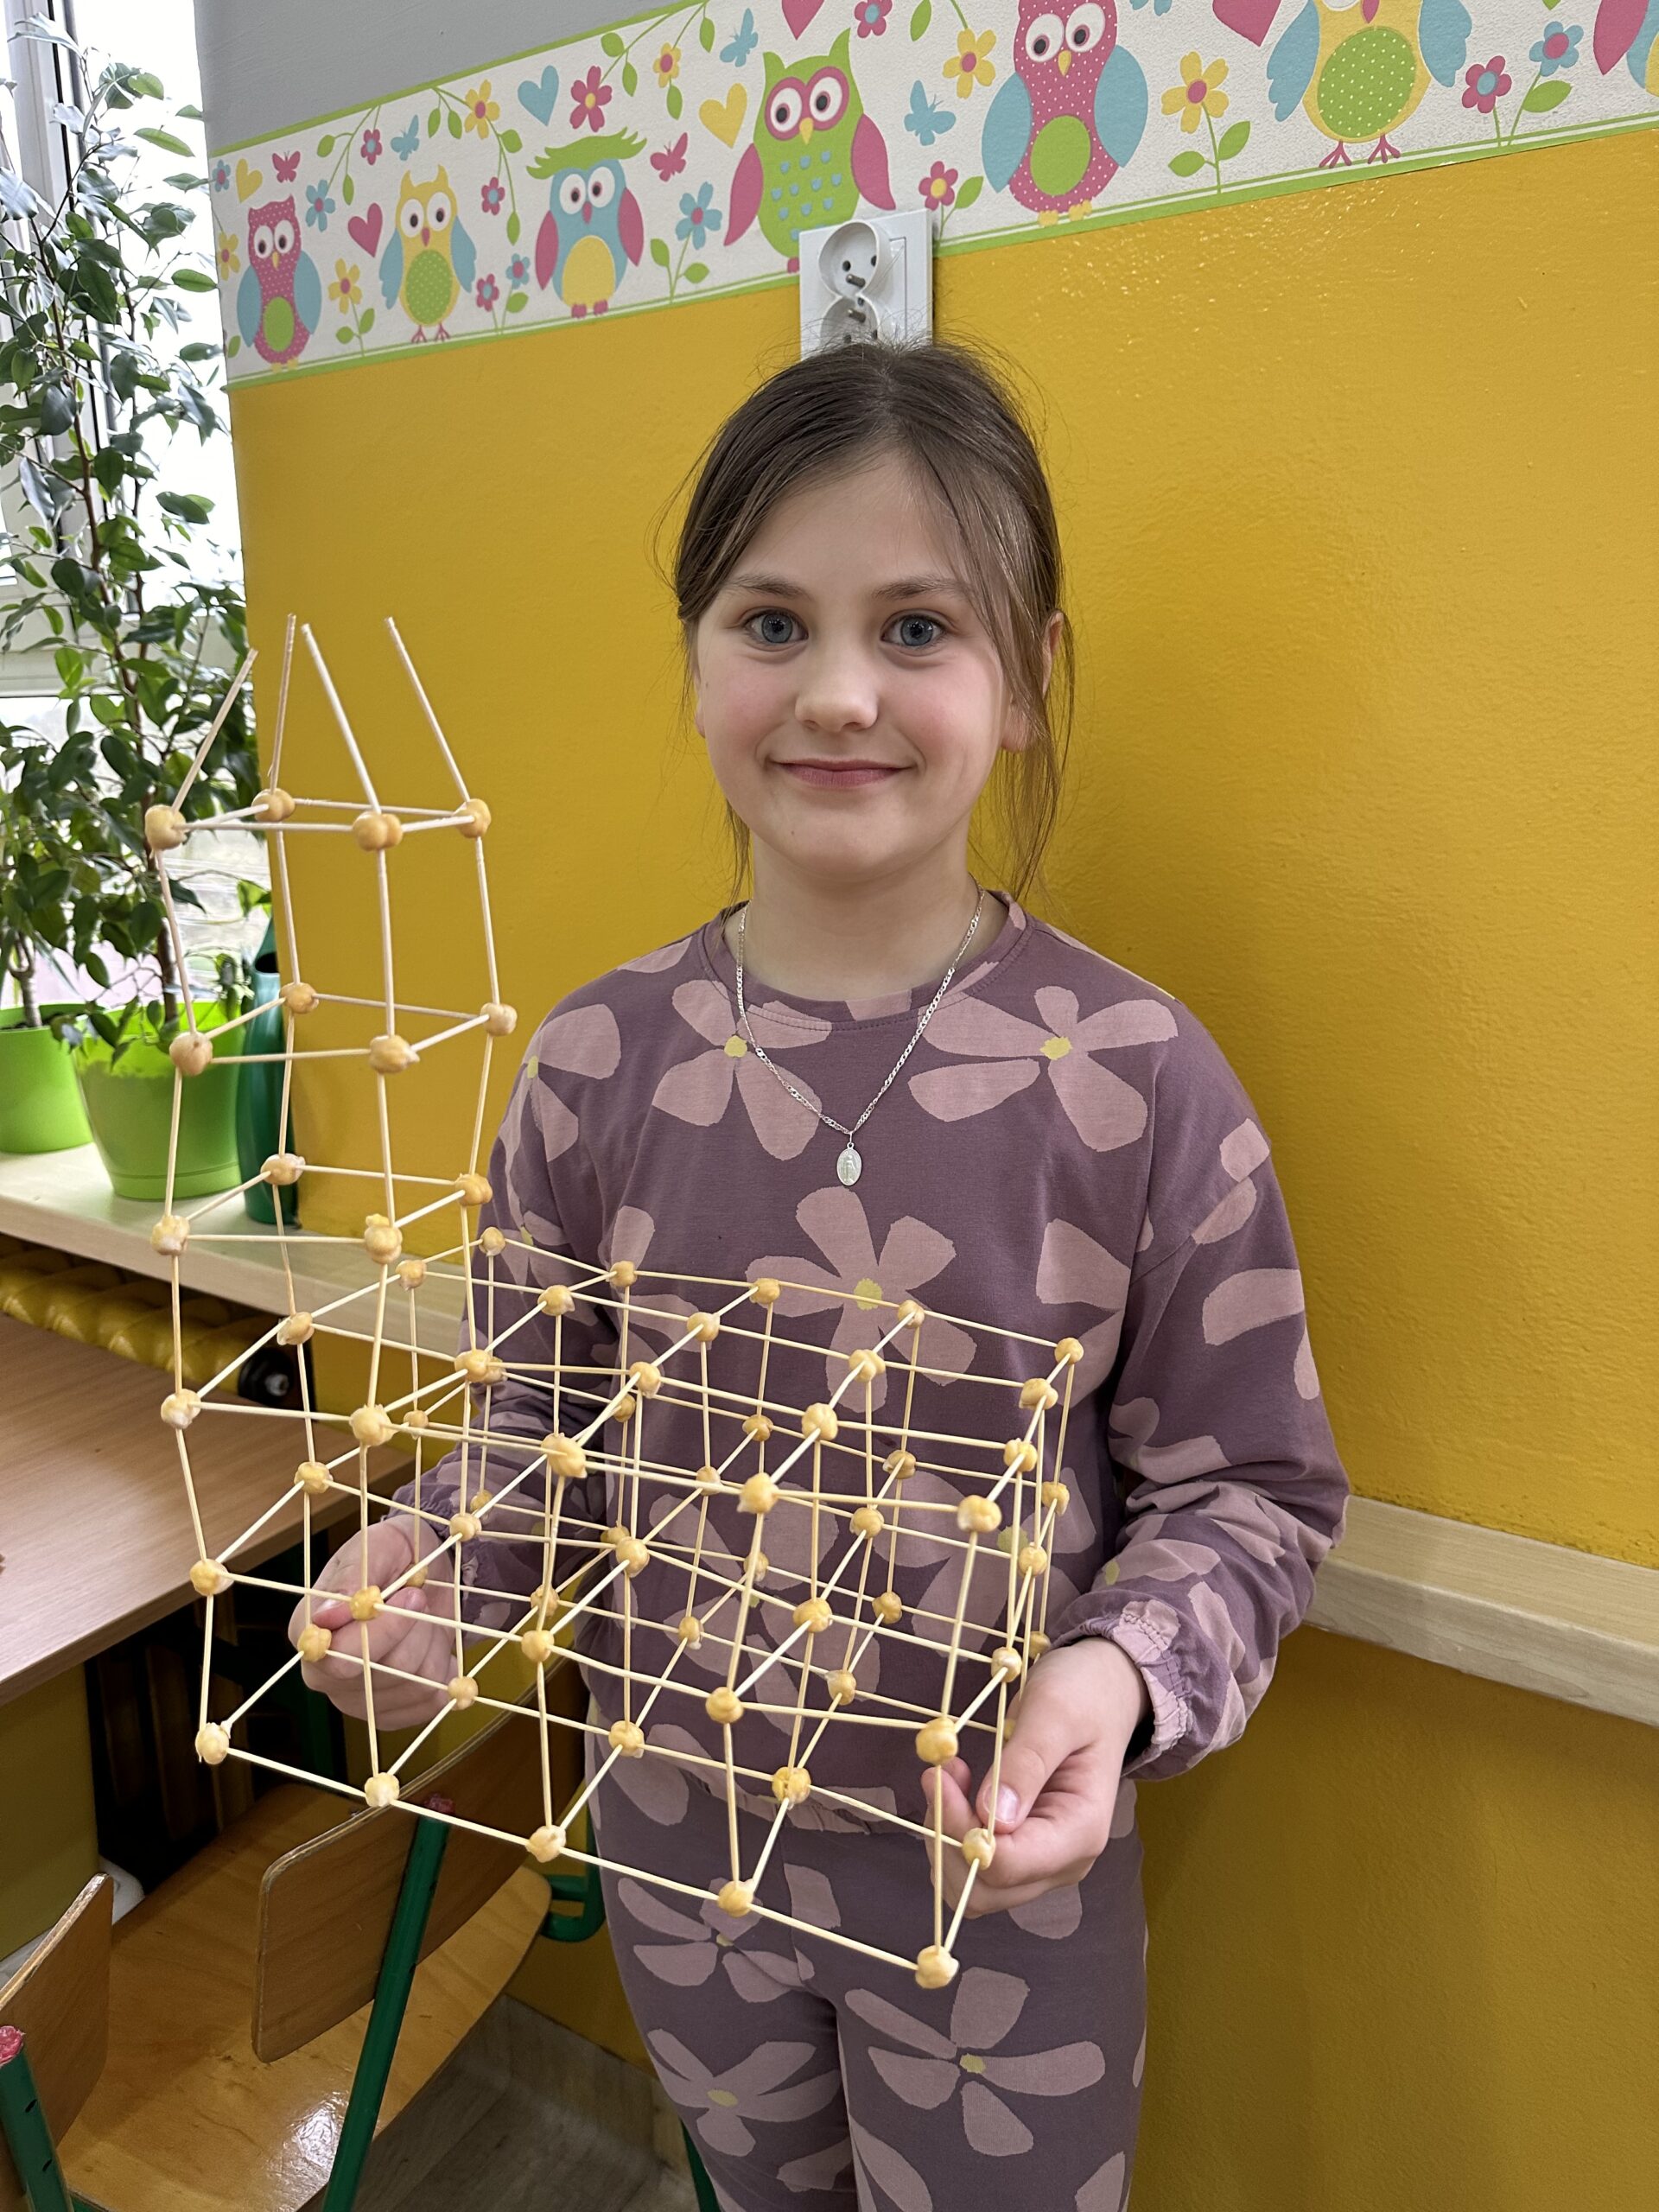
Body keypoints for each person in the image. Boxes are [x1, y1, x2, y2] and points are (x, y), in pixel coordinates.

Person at [291, 340, 1350, 2211]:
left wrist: (1117, 1674)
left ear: (1027, 680)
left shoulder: (1135, 1077)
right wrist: (437, 1579)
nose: (841, 692)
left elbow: (1254, 1489)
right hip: (675, 1855)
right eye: (772, 621)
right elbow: (541, 1430)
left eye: (919, 627)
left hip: (994, 1886)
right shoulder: (594, 1065)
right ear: (699, 660)